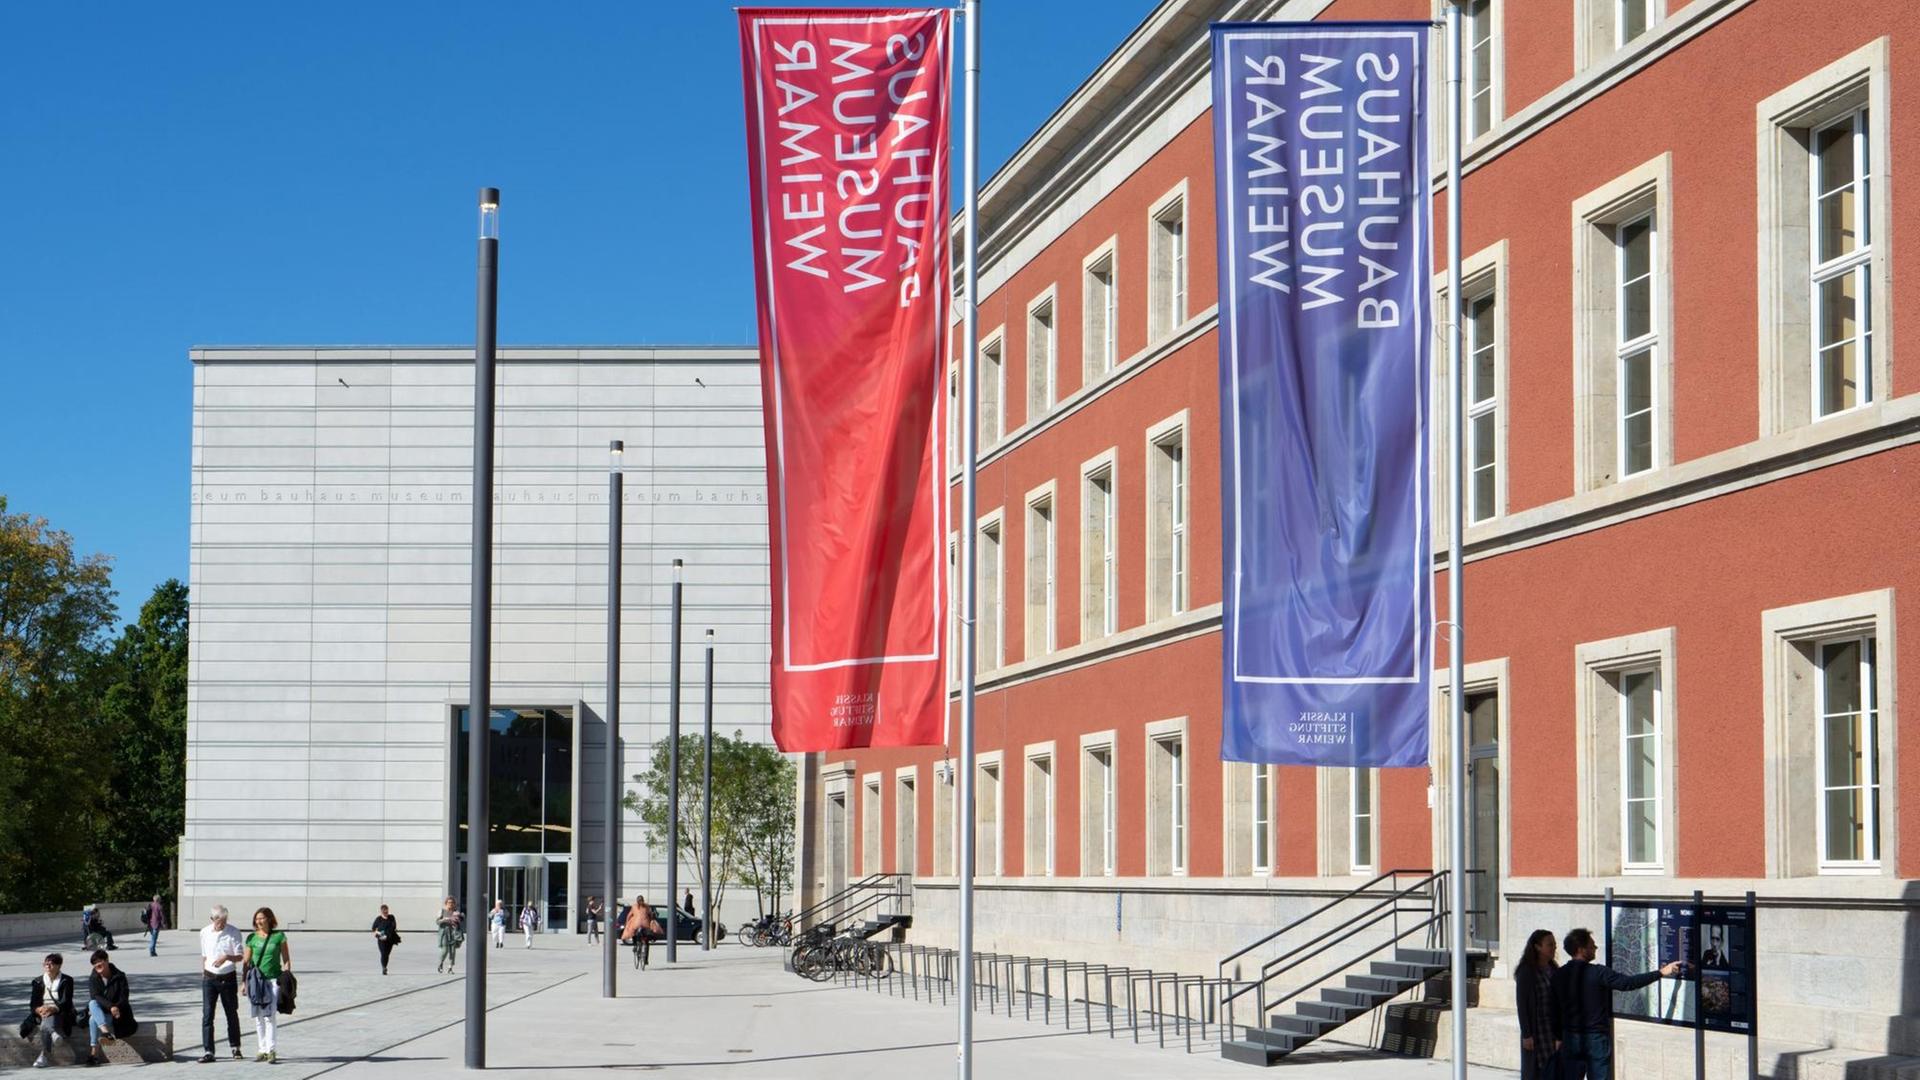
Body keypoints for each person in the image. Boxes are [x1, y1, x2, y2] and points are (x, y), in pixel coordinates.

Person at [1553, 926, 1682, 1080]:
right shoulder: (1598, 972)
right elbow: (1627, 983)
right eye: (1591, 945)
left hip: (1570, 1037)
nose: (1595, 947)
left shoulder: (1558, 975)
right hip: (1595, 1038)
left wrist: (1558, 1037)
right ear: (1581, 949)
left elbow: (1553, 1009)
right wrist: (1661, 972)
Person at [241, 908, 289, 1064]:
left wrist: (286, 978)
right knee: (258, 1017)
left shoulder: (279, 937)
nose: (258, 921)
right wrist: (244, 983)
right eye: (256, 919)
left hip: (273, 981)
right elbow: (246, 962)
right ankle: (261, 1049)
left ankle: (271, 1050)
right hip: (256, 982)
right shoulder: (251, 938)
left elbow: (286, 960)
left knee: (270, 1015)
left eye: (261, 918)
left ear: (269, 919)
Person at [198, 905, 245, 1063]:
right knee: (207, 1015)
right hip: (209, 978)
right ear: (212, 919)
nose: (222, 924)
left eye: (224, 920)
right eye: (219, 921)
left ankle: (235, 1047)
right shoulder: (204, 932)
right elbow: (204, 955)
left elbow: (240, 956)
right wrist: (203, 972)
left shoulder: (233, 932)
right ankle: (208, 1050)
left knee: (231, 1013)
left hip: (228, 977)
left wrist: (227, 957)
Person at [1513, 929, 1560, 1080]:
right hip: (1537, 1029)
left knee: (1553, 1069)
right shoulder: (1526, 971)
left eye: (1554, 944)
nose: (1554, 948)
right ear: (1538, 947)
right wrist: (1527, 1034)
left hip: (1553, 1029)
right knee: (1536, 1070)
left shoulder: (1553, 969)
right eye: (1550, 944)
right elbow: (1522, 1004)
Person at [20, 952, 75, 1069]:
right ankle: (53, 1035)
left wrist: (54, 1008)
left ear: (59, 966)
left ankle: (44, 1055)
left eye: (52, 964)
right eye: (46, 964)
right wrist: (39, 1009)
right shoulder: (38, 981)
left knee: (46, 1022)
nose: (48, 966)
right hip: (43, 1011)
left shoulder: (67, 980)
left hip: (61, 1011)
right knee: (46, 1018)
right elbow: (33, 1003)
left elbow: (67, 1002)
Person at [84, 948, 137, 1067]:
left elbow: (124, 997)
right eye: (94, 963)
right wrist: (111, 1006)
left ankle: (94, 1054)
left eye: (100, 961)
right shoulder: (93, 978)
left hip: (117, 1015)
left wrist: (115, 1008)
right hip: (102, 1013)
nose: (97, 965)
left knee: (93, 1019)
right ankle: (105, 1032)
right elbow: (96, 996)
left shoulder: (120, 976)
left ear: (107, 960)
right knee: (92, 1003)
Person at [621, 894, 661, 970]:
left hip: (636, 925)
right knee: (646, 942)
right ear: (643, 900)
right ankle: (645, 960)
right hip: (645, 926)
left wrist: (627, 923)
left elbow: (629, 915)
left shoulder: (634, 906)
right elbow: (651, 915)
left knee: (634, 933)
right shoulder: (647, 906)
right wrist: (652, 919)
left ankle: (635, 946)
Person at [436, 898, 464, 974]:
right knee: (445, 950)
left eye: (452, 902)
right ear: (446, 903)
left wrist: (459, 918)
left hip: (454, 933)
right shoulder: (442, 911)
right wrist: (445, 919)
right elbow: (437, 922)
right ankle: (440, 963)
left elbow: (461, 920)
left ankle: (450, 967)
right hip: (444, 933)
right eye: (449, 902)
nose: (450, 904)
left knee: (452, 951)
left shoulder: (456, 912)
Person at [371, 905, 399, 975]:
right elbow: (373, 928)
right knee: (383, 953)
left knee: (387, 954)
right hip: (381, 939)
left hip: (390, 939)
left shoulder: (391, 917)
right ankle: (384, 968)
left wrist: (387, 934)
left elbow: (394, 926)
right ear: (381, 911)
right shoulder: (378, 919)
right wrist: (379, 933)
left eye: (386, 911)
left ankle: (385, 966)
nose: (385, 912)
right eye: (384, 911)